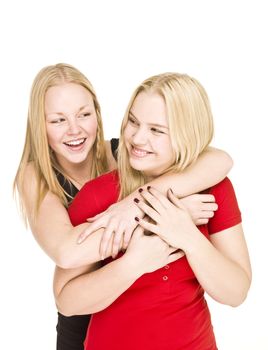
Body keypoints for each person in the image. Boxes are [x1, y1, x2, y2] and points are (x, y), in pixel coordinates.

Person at [14, 64, 232, 350]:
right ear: (38, 124)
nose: (74, 130)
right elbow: (68, 252)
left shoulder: (125, 154)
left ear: (98, 114)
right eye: (58, 121)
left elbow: (220, 160)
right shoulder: (35, 176)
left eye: (84, 114)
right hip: (81, 322)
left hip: (134, 313)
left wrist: (134, 203)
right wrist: (165, 218)